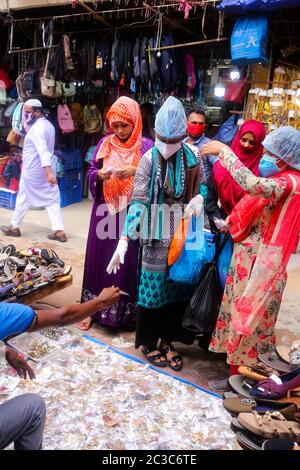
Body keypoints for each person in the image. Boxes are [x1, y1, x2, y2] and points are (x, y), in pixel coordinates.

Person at [107, 96, 207, 371]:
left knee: (177, 287)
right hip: (154, 230)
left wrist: (199, 198)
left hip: (183, 228)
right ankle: (150, 342)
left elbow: (204, 187)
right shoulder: (148, 160)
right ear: (155, 133)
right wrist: (125, 238)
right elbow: (139, 201)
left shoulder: (192, 156)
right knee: (153, 289)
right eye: (161, 137)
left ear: (183, 135)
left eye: (173, 139)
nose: (166, 144)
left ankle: (167, 339)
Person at [201, 126, 300, 386]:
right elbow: (255, 205)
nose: (264, 157)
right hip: (251, 257)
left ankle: (240, 378)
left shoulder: (288, 183)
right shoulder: (285, 181)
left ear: (284, 157)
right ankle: (238, 373)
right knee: (241, 314)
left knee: (249, 317)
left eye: (269, 152)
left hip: (261, 263)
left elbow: (253, 185)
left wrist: (225, 152)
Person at [0, 286, 120, 450]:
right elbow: (62, 316)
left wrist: (4, 351)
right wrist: (100, 301)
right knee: (35, 406)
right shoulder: (3, 314)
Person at [79, 96, 153, 331]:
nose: (119, 131)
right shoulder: (104, 143)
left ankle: (123, 314)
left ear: (136, 122)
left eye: (125, 125)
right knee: (100, 259)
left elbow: (158, 179)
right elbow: (91, 170)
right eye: (115, 125)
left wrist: (136, 169)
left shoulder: (148, 147)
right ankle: (92, 309)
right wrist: (99, 175)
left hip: (132, 212)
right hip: (104, 210)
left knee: (126, 260)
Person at [1, 99, 67, 243]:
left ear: (37, 112)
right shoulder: (48, 125)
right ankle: (59, 230)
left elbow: (43, 151)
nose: (25, 115)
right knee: (52, 199)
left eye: (28, 112)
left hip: (35, 171)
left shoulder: (37, 129)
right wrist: (49, 172)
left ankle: (14, 227)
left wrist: (48, 173)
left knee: (23, 197)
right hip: (46, 168)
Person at [206, 119, 266, 232]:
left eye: (252, 142)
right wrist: (218, 221)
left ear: (259, 145)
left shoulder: (262, 171)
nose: (246, 145)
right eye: (243, 139)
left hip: (247, 229)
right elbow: (210, 196)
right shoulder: (221, 165)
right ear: (237, 138)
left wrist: (237, 220)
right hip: (222, 225)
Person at [184, 109, 217, 181]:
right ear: (186, 124)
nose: (197, 126)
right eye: (194, 123)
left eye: (201, 124)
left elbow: (218, 164)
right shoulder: (182, 143)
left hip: (202, 190)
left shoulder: (209, 144)